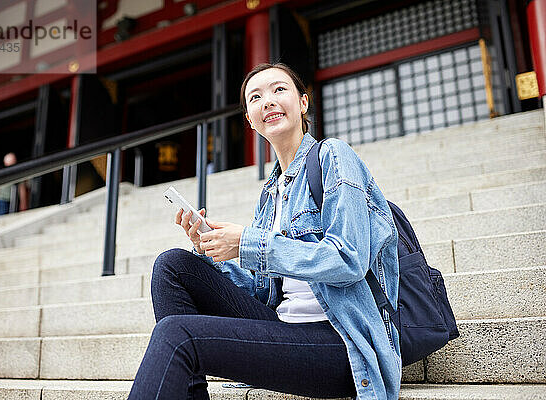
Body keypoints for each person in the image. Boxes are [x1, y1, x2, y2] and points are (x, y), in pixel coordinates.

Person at [128, 63, 400, 400]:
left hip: (339, 342)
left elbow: (349, 260)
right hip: (284, 330)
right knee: (173, 265)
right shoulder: (270, 194)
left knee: (176, 333)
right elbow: (261, 290)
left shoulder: (334, 156)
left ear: (303, 103)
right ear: (251, 120)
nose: (267, 101)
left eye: (279, 90)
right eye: (255, 97)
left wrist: (247, 243)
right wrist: (212, 249)